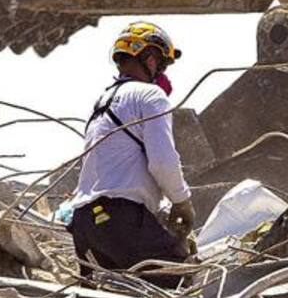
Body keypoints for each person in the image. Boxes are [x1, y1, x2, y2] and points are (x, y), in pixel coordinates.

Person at [67, 21, 196, 278]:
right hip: (118, 217)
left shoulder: (103, 102)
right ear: (149, 59)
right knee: (179, 281)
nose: (162, 74)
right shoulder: (150, 96)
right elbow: (162, 161)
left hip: (84, 223)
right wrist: (182, 202)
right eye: (162, 66)